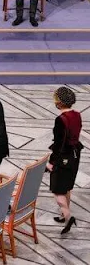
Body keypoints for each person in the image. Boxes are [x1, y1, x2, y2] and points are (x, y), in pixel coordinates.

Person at [46, 86, 83, 234]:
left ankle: (68, 216)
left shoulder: (60, 120)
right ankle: (64, 214)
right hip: (75, 154)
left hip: (63, 157)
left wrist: (51, 162)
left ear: (59, 103)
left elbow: (59, 144)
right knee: (67, 186)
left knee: (57, 190)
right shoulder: (77, 115)